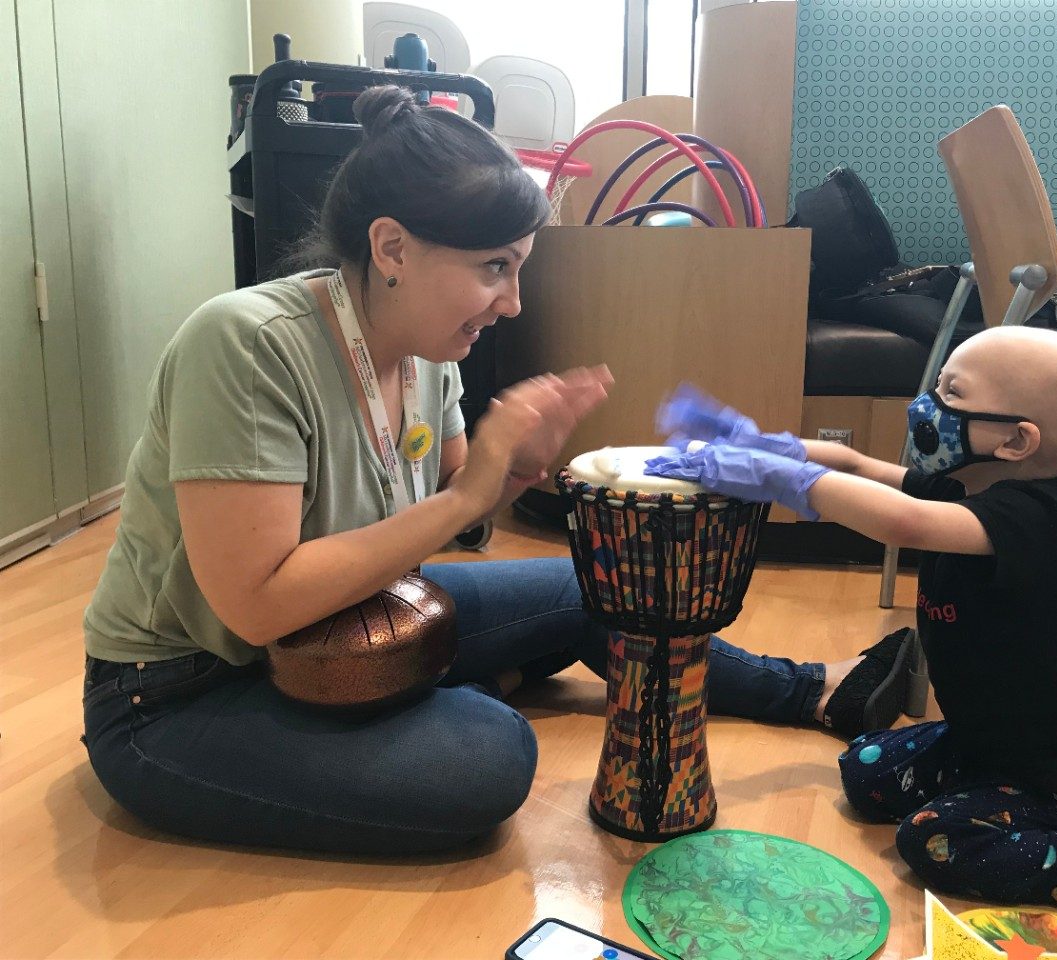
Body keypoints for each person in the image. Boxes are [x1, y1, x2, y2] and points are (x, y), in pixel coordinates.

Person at [80, 86, 904, 857]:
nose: (512, 302)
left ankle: (814, 693)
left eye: (519, 268)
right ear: (392, 247)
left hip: (362, 624)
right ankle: (457, 689)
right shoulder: (249, 344)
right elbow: (257, 605)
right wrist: (479, 491)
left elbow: (457, 516)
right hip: (183, 693)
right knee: (487, 757)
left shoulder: (428, 350)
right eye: (493, 268)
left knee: (600, 585)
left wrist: (516, 474)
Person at [647, 326, 1057, 909]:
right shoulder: (965, 483)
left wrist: (788, 482)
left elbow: (904, 522)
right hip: (987, 741)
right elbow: (858, 464)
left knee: (931, 840)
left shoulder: (1041, 517)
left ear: (1015, 441)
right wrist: (768, 446)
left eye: (951, 394)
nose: (925, 405)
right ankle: (985, 783)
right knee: (865, 772)